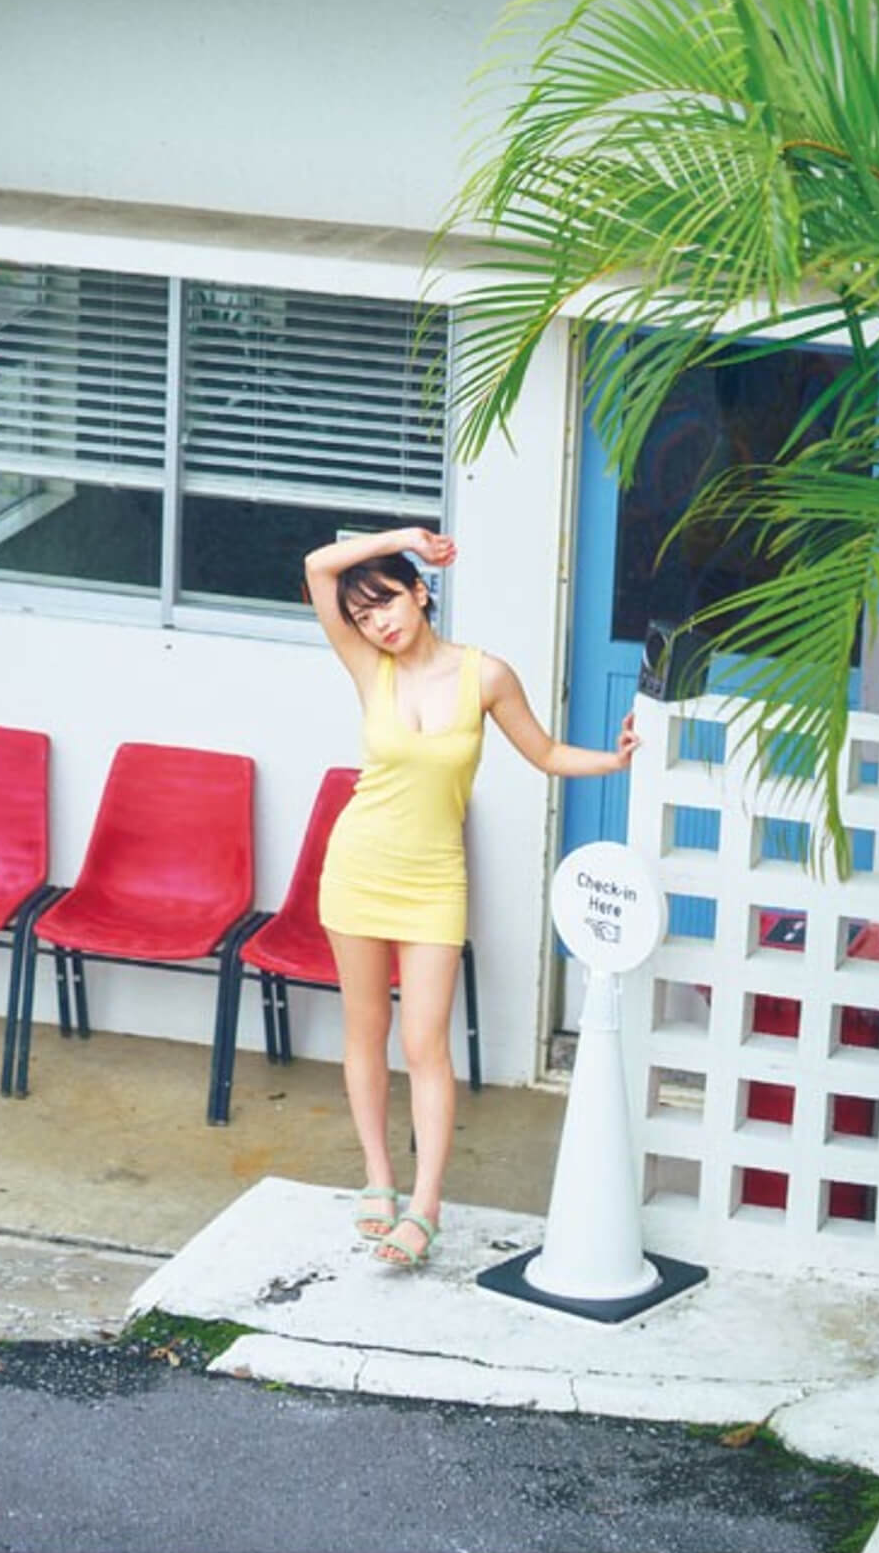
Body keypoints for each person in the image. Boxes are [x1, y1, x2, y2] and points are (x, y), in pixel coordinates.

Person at [304, 525, 639, 1269]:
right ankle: (379, 1179)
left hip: (433, 880)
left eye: (387, 602)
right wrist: (404, 536)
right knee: (364, 1032)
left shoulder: (485, 675)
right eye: (363, 616)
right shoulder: (367, 668)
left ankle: (425, 1204)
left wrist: (615, 762)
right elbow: (317, 566)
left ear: (420, 593)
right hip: (357, 868)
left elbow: (545, 753)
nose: (378, 623)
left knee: (424, 1043)